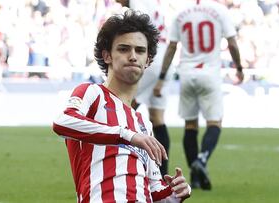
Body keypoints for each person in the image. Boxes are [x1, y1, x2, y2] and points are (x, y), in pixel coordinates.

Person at [53, 10, 191, 202]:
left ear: (148, 61)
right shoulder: (92, 93)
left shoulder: (144, 125)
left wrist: (175, 193)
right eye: (124, 49)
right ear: (107, 55)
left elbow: (154, 191)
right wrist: (127, 135)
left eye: (140, 51)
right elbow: (62, 122)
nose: (133, 56)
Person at [153, 0, 244, 190]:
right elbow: (233, 44)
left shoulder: (181, 13)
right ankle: (201, 161)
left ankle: (194, 177)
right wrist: (239, 68)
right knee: (214, 122)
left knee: (190, 125)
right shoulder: (220, 11)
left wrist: (162, 76)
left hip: (187, 73)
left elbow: (171, 47)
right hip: (210, 74)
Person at [115, 0, 171, 177]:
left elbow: (138, 32)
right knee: (157, 117)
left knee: (123, 109)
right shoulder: (153, 3)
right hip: (165, 63)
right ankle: (161, 174)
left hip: (148, 61)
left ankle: (119, 162)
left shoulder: (137, 4)